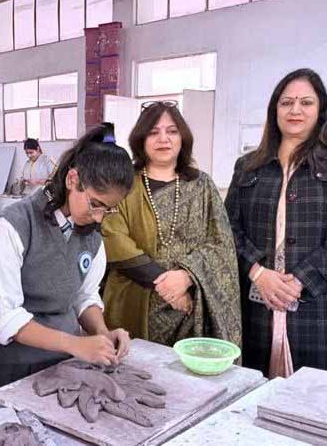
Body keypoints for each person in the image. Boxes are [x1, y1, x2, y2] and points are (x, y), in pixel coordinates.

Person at [224, 68, 327, 378]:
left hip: (321, 302)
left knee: (314, 393)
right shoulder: (248, 166)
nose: (295, 110)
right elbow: (228, 229)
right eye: (286, 102)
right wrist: (258, 273)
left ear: (321, 110)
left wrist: (301, 280)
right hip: (258, 298)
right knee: (255, 386)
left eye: (306, 102)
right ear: (275, 110)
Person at [0, 125, 133, 398]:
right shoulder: (11, 227)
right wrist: (76, 344)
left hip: (63, 364)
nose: (99, 217)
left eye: (109, 209)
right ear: (72, 179)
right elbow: (4, 319)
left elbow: (83, 296)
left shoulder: (92, 235)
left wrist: (102, 333)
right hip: (8, 368)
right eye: (95, 204)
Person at [101, 101, 242, 347]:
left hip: (192, 306)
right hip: (135, 299)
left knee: (190, 368)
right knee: (134, 367)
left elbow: (221, 244)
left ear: (182, 138)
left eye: (172, 131)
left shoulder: (201, 185)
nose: (163, 139)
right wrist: (166, 286)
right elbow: (112, 237)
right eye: (153, 132)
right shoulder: (123, 183)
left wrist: (186, 277)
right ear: (141, 140)